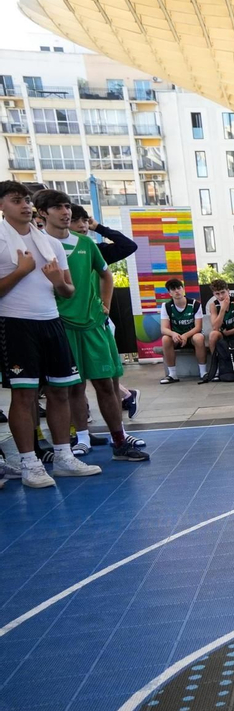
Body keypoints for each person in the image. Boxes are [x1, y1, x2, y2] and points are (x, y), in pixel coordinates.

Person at [0, 182, 100, 487]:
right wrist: (21, 270)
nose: (25, 205)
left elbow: (68, 291)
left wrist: (58, 281)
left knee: (60, 390)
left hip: (51, 321)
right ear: (1, 206)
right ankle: (29, 464)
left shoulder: (49, 243)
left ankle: (63, 456)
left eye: (27, 200)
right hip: (15, 323)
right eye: (16, 200)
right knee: (25, 394)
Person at [36, 189, 148, 462]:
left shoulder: (86, 244)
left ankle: (119, 441)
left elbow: (106, 275)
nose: (66, 212)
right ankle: (81, 439)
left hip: (92, 325)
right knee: (71, 389)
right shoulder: (38, 245)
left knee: (106, 385)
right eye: (58, 207)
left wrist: (104, 306)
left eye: (67, 206)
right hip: (60, 327)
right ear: (43, 213)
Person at [158, 277, 205, 383]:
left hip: (191, 336)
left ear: (183, 289)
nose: (177, 291)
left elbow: (198, 327)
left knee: (199, 338)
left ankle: (203, 372)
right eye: (173, 289)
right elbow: (163, 329)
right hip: (177, 338)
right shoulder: (166, 306)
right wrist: (173, 334)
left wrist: (185, 336)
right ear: (169, 293)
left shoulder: (195, 304)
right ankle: (172, 374)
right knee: (165, 339)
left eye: (179, 288)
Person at [204, 279, 234, 381]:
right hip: (223, 337)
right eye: (217, 294)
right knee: (213, 335)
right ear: (214, 294)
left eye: (223, 292)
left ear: (228, 291)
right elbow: (215, 327)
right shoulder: (213, 305)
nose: (221, 296)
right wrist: (222, 310)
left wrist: (229, 332)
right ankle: (216, 368)